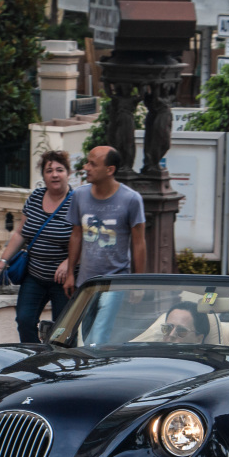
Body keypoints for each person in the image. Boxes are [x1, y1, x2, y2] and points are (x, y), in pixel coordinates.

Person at [59, 146, 146, 344]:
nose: (86, 167)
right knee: (84, 333)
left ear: (110, 170)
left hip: (116, 279)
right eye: (87, 162)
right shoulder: (79, 195)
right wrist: (71, 272)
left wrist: (138, 283)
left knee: (98, 335)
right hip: (87, 282)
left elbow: (139, 243)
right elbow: (76, 235)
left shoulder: (131, 199)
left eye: (92, 164)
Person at [0, 150, 74, 343]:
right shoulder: (36, 197)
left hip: (63, 280)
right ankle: (34, 358)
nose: (54, 174)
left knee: (63, 329)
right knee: (24, 320)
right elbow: (21, 232)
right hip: (35, 275)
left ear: (68, 174)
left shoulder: (77, 201)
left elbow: (86, 240)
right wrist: (3, 260)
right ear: (44, 176)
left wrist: (69, 263)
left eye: (59, 170)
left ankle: (59, 364)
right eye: (49, 170)